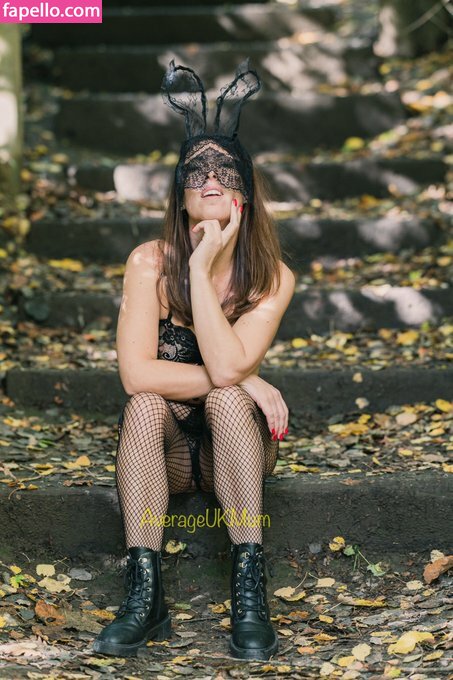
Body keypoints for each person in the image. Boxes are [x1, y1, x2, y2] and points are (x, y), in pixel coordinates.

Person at [92, 59, 297, 661]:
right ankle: (144, 595)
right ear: (180, 197)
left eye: (225, 171)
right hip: (170, 456)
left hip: (237, 452)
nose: (210, 180)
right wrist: (249, 376)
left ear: (244, 195)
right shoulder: (149, 263)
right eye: (196, 172)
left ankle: (249, 592)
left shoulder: (272, 277)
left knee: (229, 398)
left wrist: (204, 272)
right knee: (147, 403)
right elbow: (137, 374)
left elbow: (229, 376)